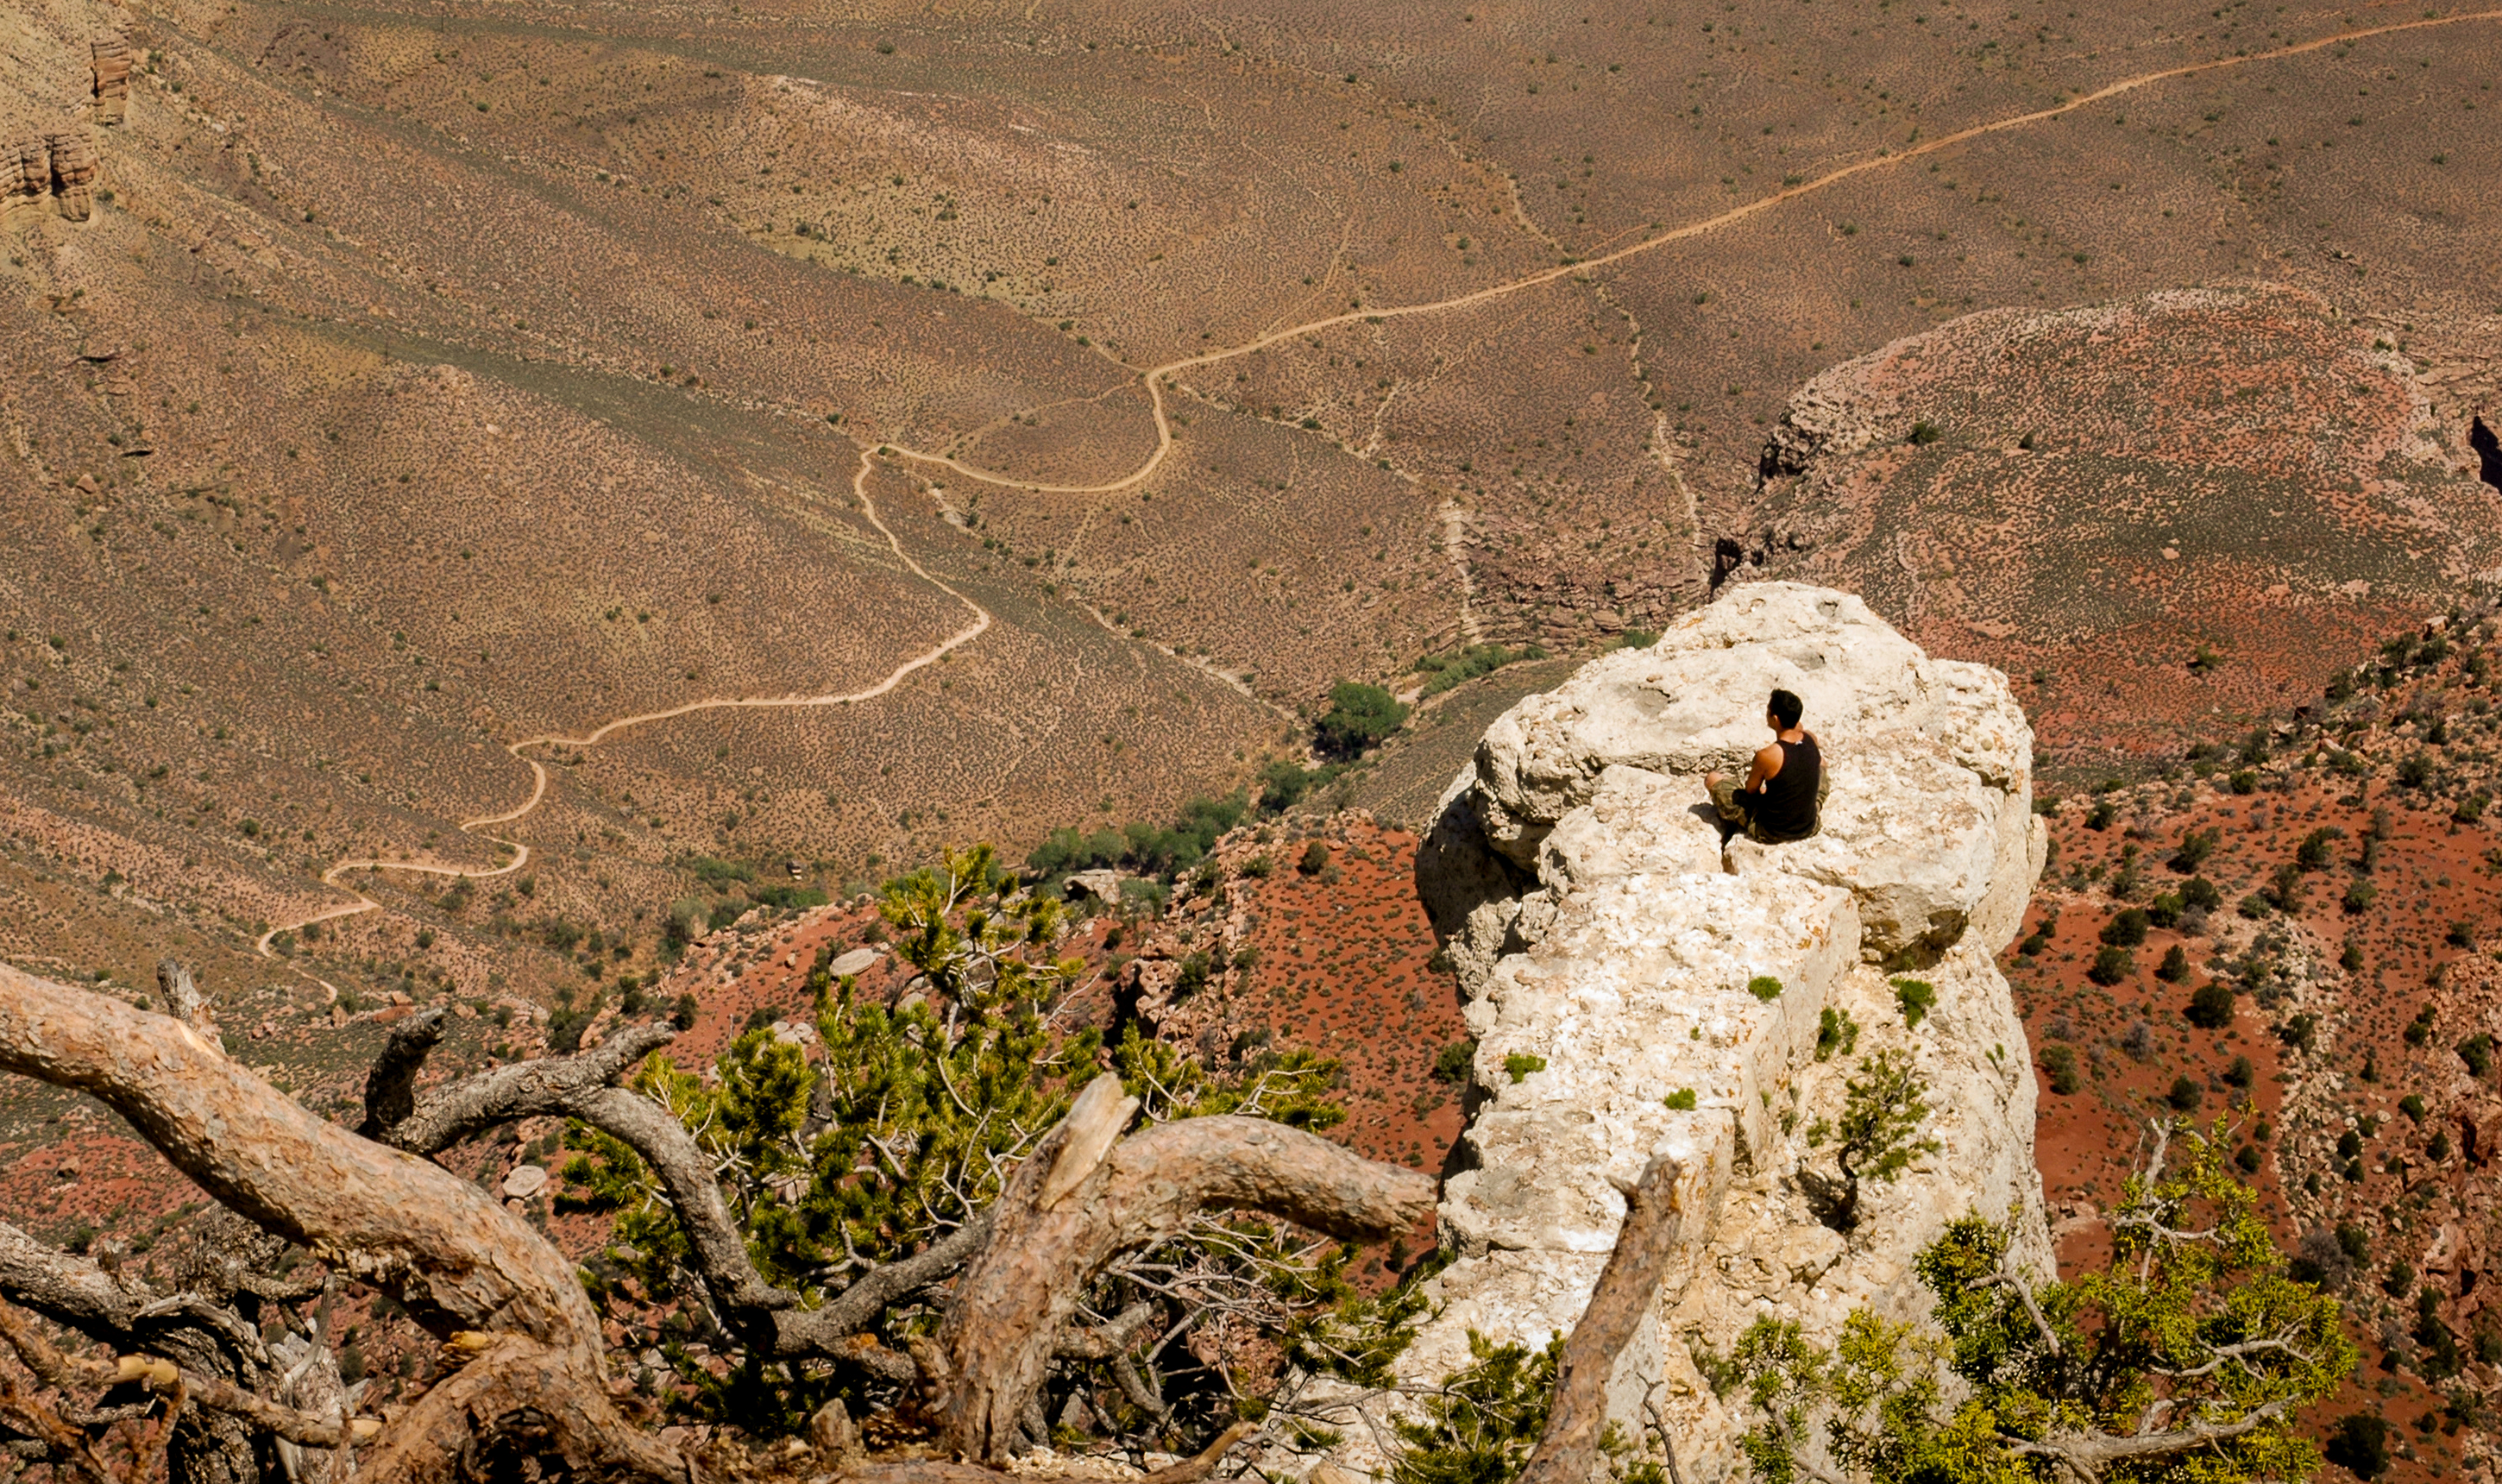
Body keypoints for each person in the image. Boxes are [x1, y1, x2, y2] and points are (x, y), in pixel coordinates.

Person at [1706, 689, 1826, 844]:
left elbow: (1751, 791)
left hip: (1772, 831)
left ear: (1775, 719)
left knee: (1712, 779)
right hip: (1809, 826)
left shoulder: (1767, 755)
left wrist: (1765, 793)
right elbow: (1800, 729)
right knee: (1821, 763)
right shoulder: (1811, 739)